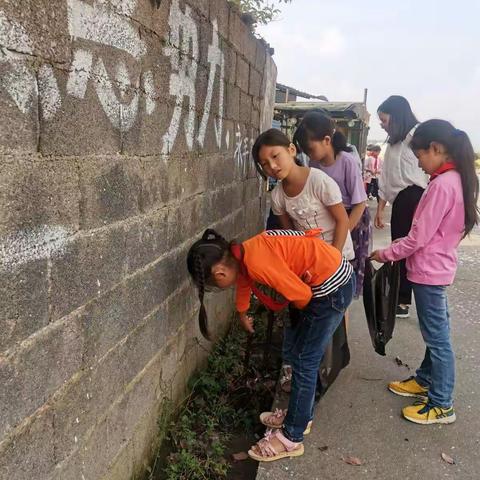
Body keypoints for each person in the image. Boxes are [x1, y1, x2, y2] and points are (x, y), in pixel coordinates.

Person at [187, 228, 355, 460]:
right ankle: (301, 415)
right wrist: (243, 311)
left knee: (305, 359)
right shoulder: (244, 252)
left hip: (330, 290)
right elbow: (245, 279)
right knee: (298, 355)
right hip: (327, 280)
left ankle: (292, 438)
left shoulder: (256, 261)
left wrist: (302, 325)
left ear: (220, 273)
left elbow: (301, 295)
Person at [371, 119, 479, 424]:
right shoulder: (455, 180)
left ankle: (442, 403)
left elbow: (418, 237)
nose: (419, 164)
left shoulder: (442, 185)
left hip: (429, 274)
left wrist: (385, 253)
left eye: (420, 157)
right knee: (437, 334)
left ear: (437, 149)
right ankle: (426, 380)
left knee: (438, 340)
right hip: (436, 270)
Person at [252, 128, 352, 393]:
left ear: (291, 150)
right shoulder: (278, 197)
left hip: (337, 259)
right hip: (309, 265)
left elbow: (342, 220)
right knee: (305, 315)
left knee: (331, 317)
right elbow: (290, 237)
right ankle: (302, 368)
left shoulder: (318, 181)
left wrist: (334, 258)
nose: (272, 167)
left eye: (275, 156)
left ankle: (332, 362)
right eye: (265, 164)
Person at [293, 112, 370, 298]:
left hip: (352, 219)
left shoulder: (347, 161)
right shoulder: (314, 163)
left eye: (311, 149)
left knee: (345, 271)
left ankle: (343, 315)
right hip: (327, 220)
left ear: (327, 140)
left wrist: (346, 231)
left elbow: (360, 203)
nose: (309, 155)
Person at [375, 96, 428, 318]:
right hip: (400, 200)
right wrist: (380, 208)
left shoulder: (419, 135)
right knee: (399, 245)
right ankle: (400, 296)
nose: (382, 125)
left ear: (397, 117)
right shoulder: (393, 142)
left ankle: (405, 300)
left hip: (416, 196)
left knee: (412, 248)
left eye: (385, 120)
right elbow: (386, 178)